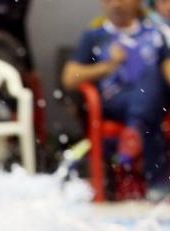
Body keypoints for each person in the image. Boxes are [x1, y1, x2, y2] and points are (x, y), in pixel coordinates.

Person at [62, 0, 170, 200]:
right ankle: (157, 184)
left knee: (152, 76)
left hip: (154, 102)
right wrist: (108, 66)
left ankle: (135, 129)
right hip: (115, 101)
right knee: (151, 104)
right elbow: (69, 78)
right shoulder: (95, 36)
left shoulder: (154, 34)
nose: (116, 4)